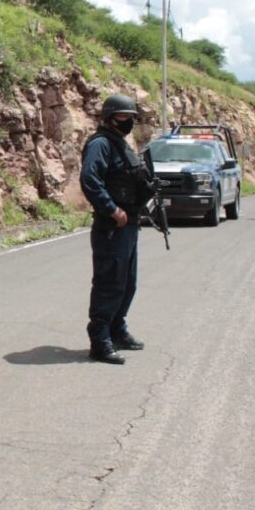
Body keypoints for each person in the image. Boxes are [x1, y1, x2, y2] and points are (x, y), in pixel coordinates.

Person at [79, 94, 154, 365]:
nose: (130, 122)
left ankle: (116, 329)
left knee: (127, 284)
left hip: (128, 226)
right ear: (110, 118)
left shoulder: (119, 144)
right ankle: (100, 341)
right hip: (112, 227)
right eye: (125, 117)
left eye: (132, 118)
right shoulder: (100, 144)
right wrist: (111, 209)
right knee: (109, 284)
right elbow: (90, 179)